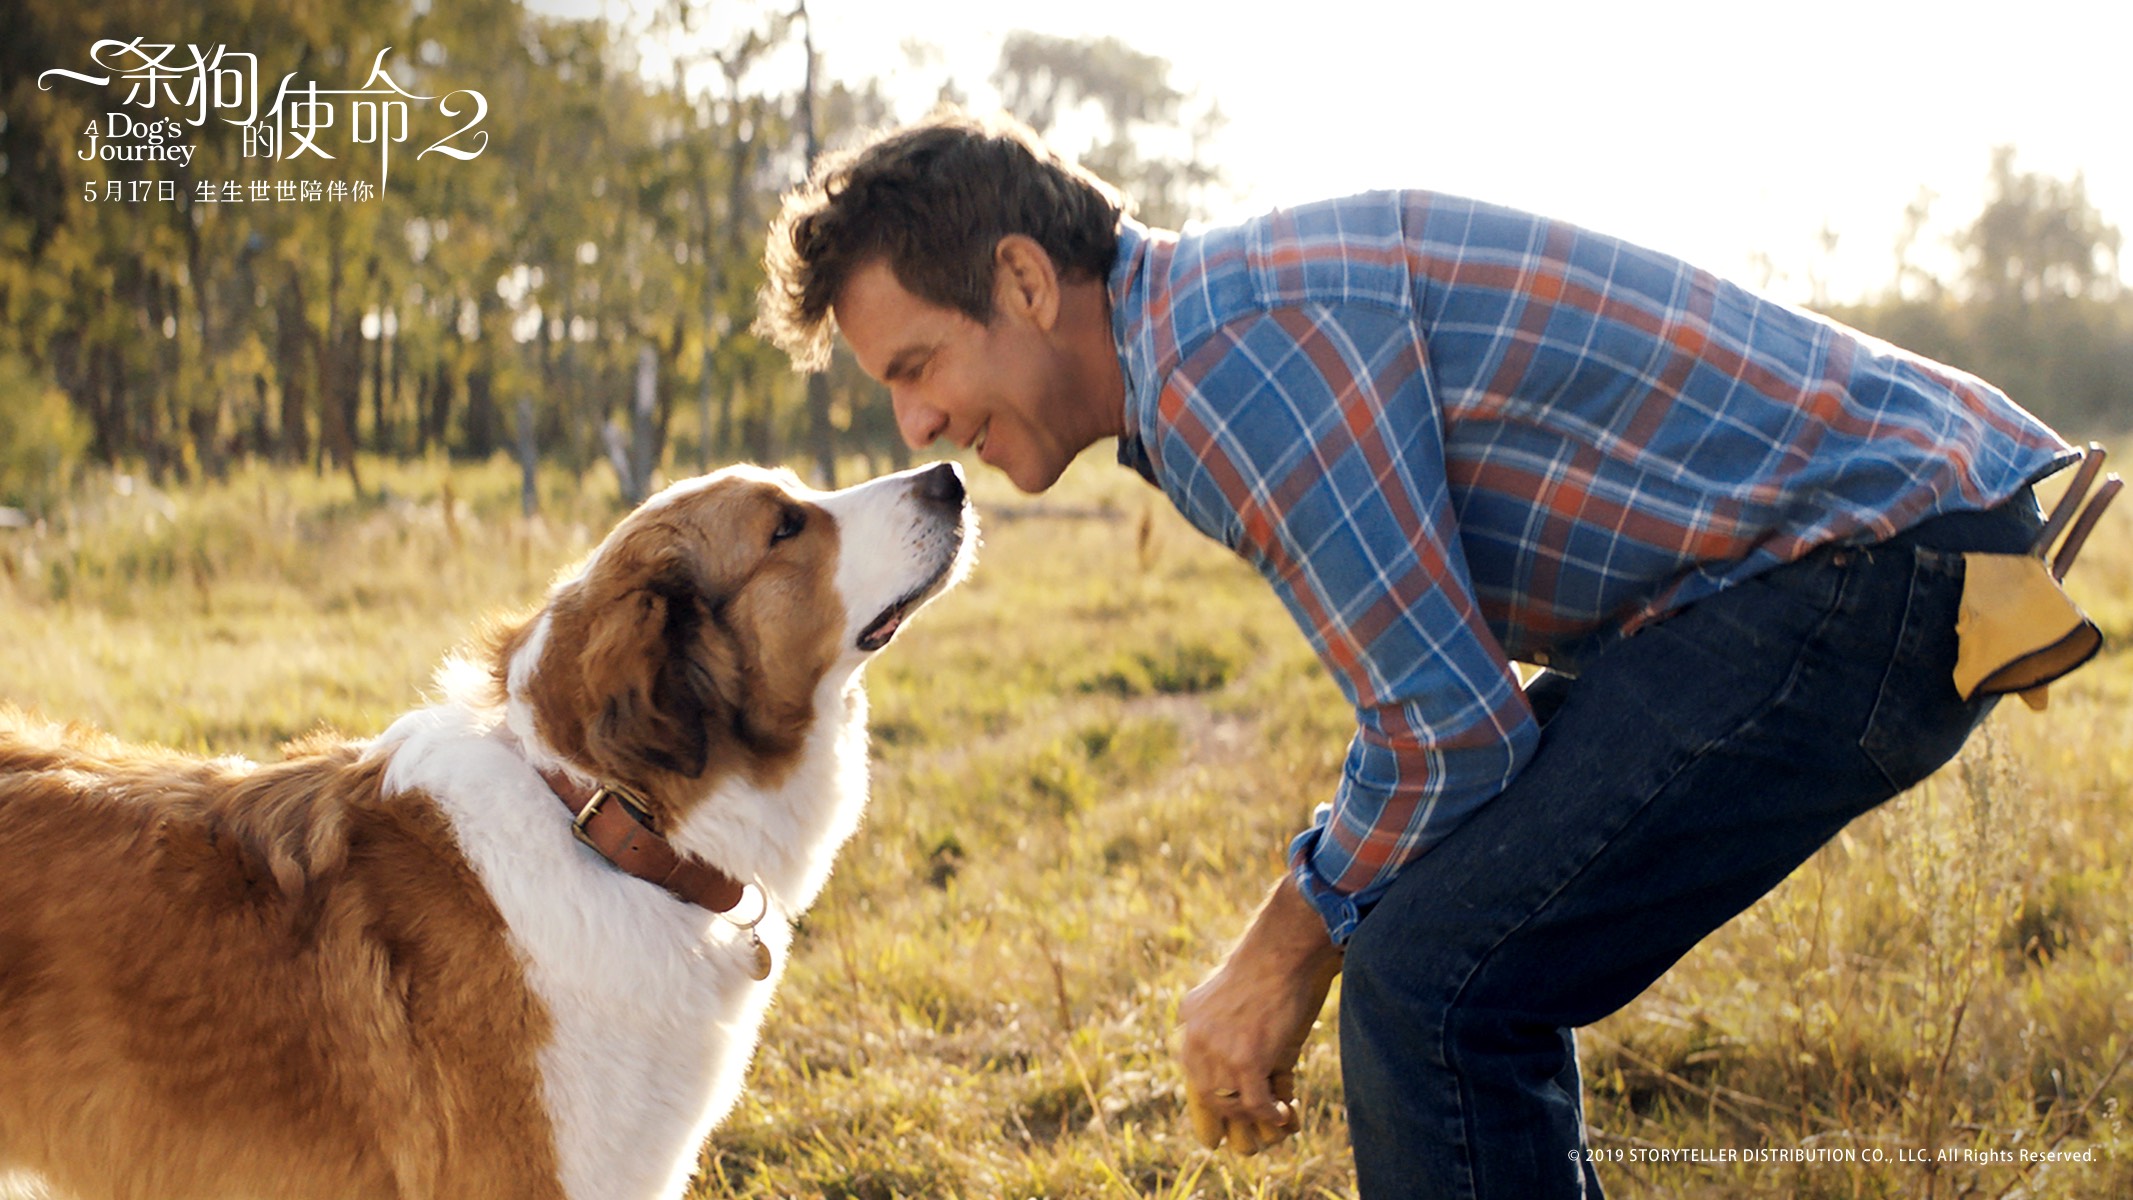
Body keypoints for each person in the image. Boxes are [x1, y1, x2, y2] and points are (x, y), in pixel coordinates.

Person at [755, 109, 2076, 1198]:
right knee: (1444, 961)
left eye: (919, 363)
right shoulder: (1214, 334)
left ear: (1026, 283)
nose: (916, 420)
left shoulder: (1227, 362)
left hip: (1869, 567)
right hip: (1878, 559)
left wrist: (1275, 955)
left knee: (1433, 986)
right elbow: (1449, 722)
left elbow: (1447, 732)